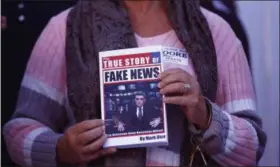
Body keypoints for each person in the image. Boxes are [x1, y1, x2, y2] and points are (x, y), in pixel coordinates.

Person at [3, 1, 267, 167]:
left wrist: (205, 115)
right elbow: (18, 132)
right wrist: (61, 149)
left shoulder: (216, 31)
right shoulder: (66, 28)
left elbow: (252, 149)